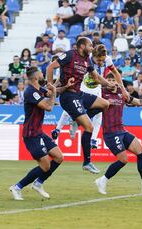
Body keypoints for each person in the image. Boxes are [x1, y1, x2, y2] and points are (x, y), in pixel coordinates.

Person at [46, 37, 117, 174]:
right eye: (90, 46)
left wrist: (109, 84)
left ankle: (75, 120)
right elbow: (50, 67)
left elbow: (96, 77)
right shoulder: (70, 54)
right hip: (68, 96)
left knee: (105, 104)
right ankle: (87, 162)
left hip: (79, 94)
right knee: (89, 127)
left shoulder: (87, 60)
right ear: (82, 46)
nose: (92, 48)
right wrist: (50, 86)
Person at [95, 73, 142, 195]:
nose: (111, 82)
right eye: (108, 80)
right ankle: (102, 180)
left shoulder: (122, 93)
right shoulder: (101, 93)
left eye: (113, 80)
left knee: (141, 152)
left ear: (118, 81)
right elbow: (91, 103)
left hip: (122, 130)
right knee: (123, 160)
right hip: (110, 133)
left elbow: (138, 101)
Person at [9, 67, 65, 200]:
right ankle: (17, 187)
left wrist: (61, 87)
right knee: (45, 165)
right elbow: (49, 107)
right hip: (31, 133)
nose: (42, 74)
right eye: (40, 72)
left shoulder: (39, 89)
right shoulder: (30, 92)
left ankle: (38, 183)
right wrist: (53, 93)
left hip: (39, 132)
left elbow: (52, 92)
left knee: (58, 157)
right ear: (35, 77)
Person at [52, 44, 123, 149]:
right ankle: (58, 128)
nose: (100, 63)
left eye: (102, 61)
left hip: (96, 87)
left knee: (100, 112)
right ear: (93, 56)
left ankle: (92, 138)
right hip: (83, 86)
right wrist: (55, 85)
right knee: (72, 107)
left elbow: (116, 73)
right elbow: (64, 74)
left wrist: (122, 88)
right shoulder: (86, 58)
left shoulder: (107, 59)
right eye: (98, 60)